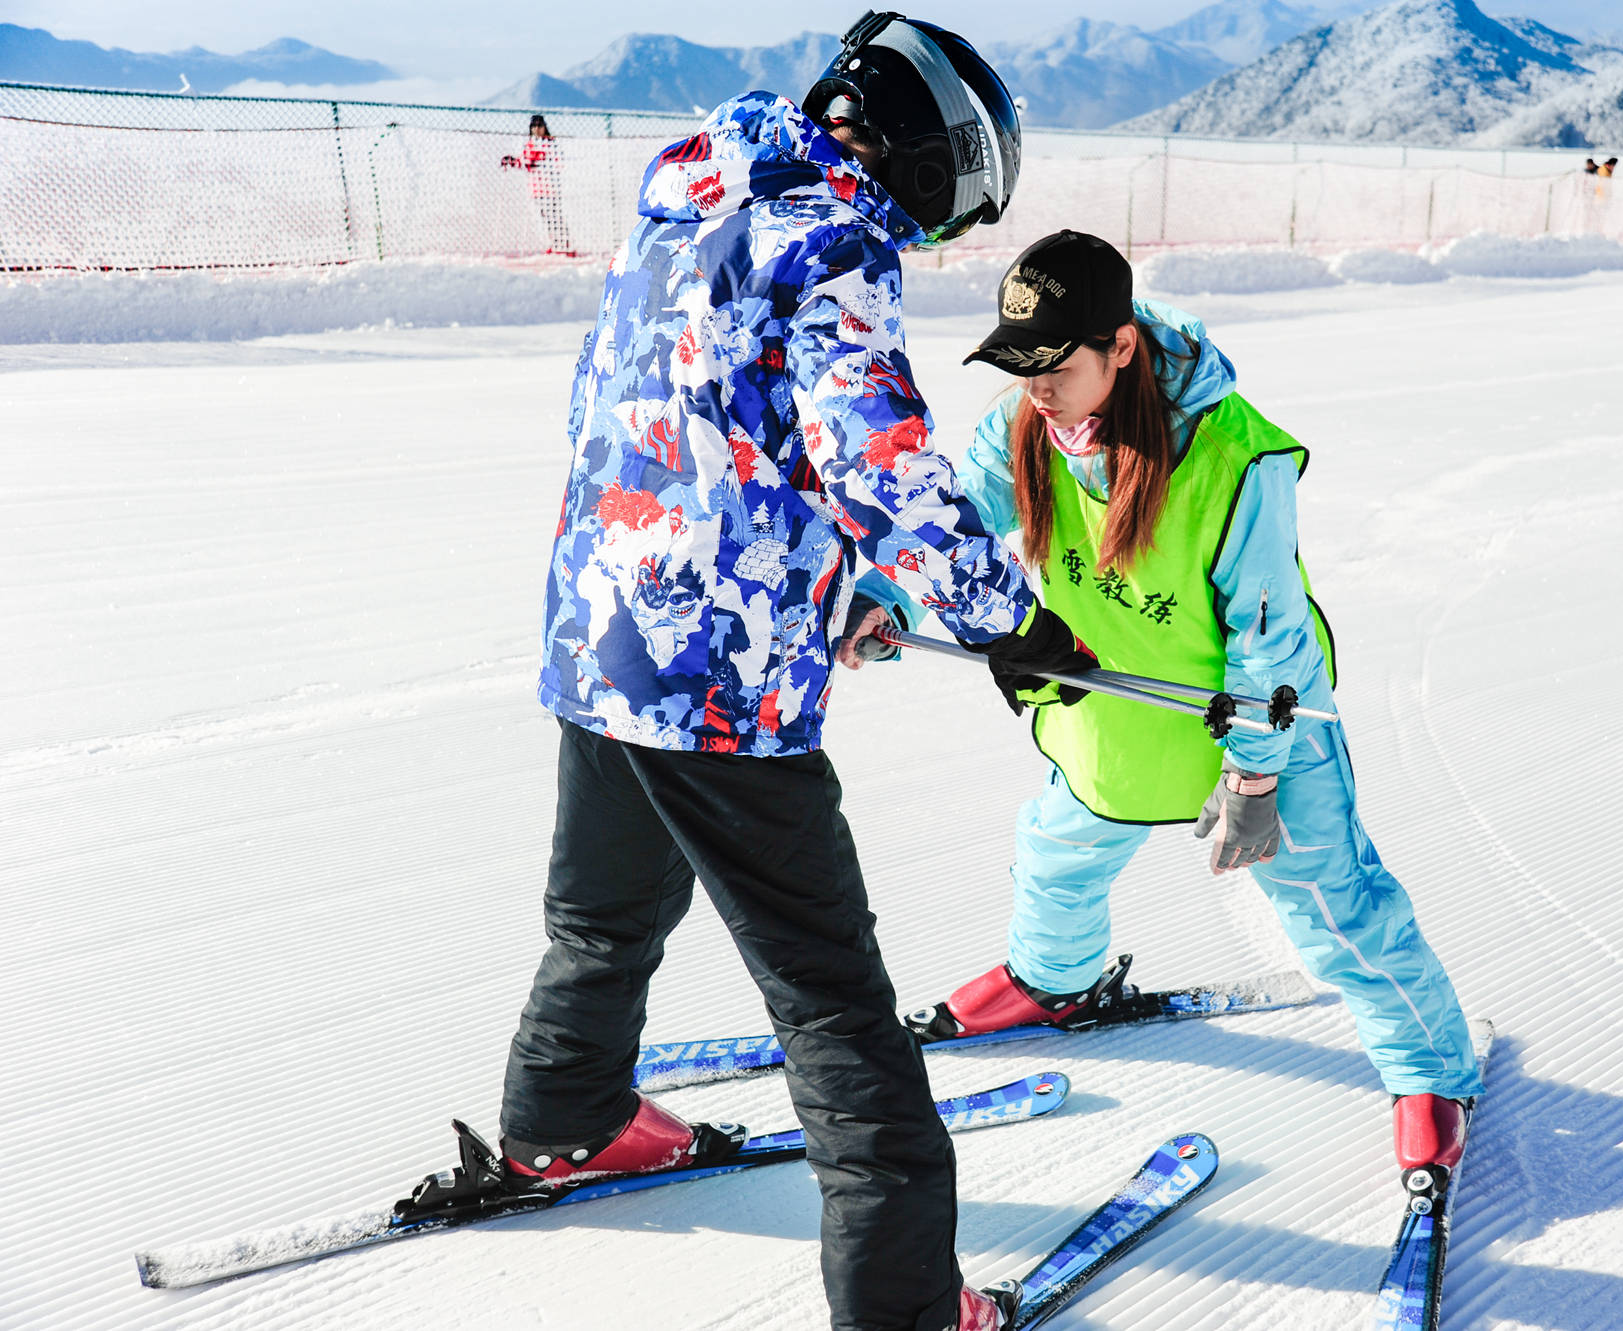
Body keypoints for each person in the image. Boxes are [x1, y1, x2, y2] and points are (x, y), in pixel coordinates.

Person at [479, 15, 1091, 1331]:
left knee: (604, 914)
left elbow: (692, 414)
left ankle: (563, 1115)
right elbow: (882, 466)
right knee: (837, 1007)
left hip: (605, 632)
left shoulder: (692, 193)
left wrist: (814, 591)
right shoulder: (837, 238)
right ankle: (909, 1305)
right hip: (715, 682)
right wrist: (1008, 622)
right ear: (932, 149)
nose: (943, 224)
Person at [859, 229, 1486, 1177]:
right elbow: (961, 534)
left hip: (1252, 722)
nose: (1034, 387)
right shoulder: (1024, 424)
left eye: (1056, 364)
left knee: (1333, 906)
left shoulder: (1236, 457)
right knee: (1059, 854)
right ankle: (1055, 981)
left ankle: (1432, 1069)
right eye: (1018, 363)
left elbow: (1266, 638)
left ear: (1122, 344)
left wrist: (1255, 776)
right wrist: (892, 600)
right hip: (1112, 708)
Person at [501, 113, 573, 255]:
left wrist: (540, 161)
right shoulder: (530, 144)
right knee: (546, 218)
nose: (537, 129)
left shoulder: (550, 143)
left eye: (540, 126)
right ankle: (556, 244)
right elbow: (524, 162)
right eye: (534, 126)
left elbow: (556, 162)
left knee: (555, 216)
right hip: (537, 188)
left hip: (550, 187)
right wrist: (512, 161)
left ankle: (565, 245)